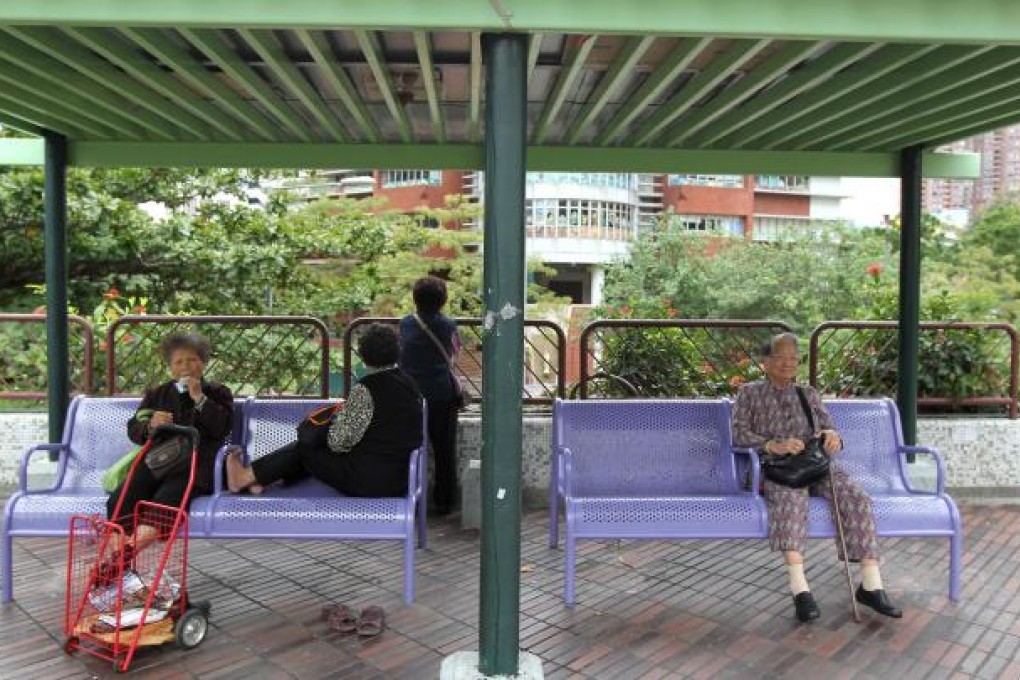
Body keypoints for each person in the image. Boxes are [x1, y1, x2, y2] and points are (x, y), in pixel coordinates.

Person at [731, 332, 902, 623]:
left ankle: (871, 585)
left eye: (793, 358)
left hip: (815, 463)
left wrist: (832, 434)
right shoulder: (749, 393)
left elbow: (826, 427)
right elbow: (738, 434)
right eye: (780, 357)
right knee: (790, 502)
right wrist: (773, 444)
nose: (788, 363)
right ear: (766, 362)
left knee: (855, 497)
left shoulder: (807, 393)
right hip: (779, 467)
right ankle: (800, 590)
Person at [225, 323, 423, 498]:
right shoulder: (409, 384)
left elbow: (338, 443)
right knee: (312, 448)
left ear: (363, 355)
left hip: (369, 481)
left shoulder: (367, 390)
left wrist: (330, 425)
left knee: (307, 446)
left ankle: (243, 478)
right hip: (400, 479)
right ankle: (259, 479)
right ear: (397, 351)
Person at [106, 331, 234, 557]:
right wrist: (151, 426)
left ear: (203, 362)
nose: (186, 366)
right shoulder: (157, 395)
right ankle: (119, 565)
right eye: (179, 361)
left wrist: (199, 399)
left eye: (192, 360)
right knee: (120, 500)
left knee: (163, 506)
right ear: (170, 367)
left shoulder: (217, 392)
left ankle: (121, 559)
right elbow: (135, 429)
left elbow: (222, 427)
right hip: (158, 462)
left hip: (196, 466)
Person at [398, 276, 462, 516]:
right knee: (444, 448)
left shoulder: (406, 324)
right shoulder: (448, 325)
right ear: (443, 301)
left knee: (410, 447)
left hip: (409, 394)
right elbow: (455, 352)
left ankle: (410, 497)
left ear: (415, 299)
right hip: (441, 394)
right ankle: (444, 500)